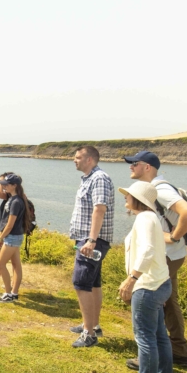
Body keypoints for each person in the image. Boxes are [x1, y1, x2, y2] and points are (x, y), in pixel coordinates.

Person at [124, 150, 187, 368]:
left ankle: (150, 353)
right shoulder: (155, 188)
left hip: (165, 256)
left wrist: (173, 237)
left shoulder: (160, 189)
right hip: (170, 255)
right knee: (168, 302)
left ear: (147, 167)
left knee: (146, 299)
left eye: (134, 164)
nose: (130, 167)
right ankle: (178, 351)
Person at [115, 180, 173, 373]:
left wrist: (131, 279)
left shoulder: (145, 219)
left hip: (147, 286)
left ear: (138, 199)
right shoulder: (151, 218)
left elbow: (147, 250)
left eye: (128, 194)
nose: (125, 197)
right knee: (159, 336)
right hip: (159, 283)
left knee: (145, 337)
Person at [68, 145, 115, 348]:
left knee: (81, 283)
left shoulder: (99, 178)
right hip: (88, 240)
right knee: (93, 283)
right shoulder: (89, 178)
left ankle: (89, 334)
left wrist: (91, 240)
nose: (74, 160)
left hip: (91, 241)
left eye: (78, 157)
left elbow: (99, 209)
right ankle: (92, 325)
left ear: (89, 160)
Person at [0, 173, 31, 303]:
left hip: (12, 237)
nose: (4, 187)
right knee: (15, 264)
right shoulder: (13, 199)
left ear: (14, 186)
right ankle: (13, 293)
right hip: (15, 237)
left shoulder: (16, 202)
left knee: (0, 264)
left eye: (7, 185)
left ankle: (8, 293)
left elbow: (9, 225)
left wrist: (0, 240)